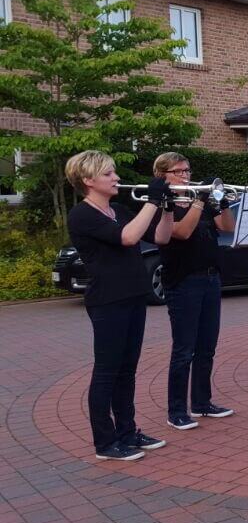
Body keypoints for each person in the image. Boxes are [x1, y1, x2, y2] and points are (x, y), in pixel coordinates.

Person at [65, 150, 173, 461]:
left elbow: (162, 238)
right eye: (109, 174)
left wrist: (166, 208)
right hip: (107, 301)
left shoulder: (120, 210)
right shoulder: (82, 215)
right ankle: (105, 442)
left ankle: (128, 431)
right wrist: (151, 201)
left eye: (114, 172)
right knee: (107, 371)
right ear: (88, 180)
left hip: (133, 296)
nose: (117, 178)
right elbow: (127, 238)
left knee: (127, 370)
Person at [151, 153, 236, 431]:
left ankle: (202, 402)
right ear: (163, 175)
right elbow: (182, 233)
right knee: (184, 349)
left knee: (207, 347)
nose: (186, 176)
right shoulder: (162, 205)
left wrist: (221, 200)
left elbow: (227, 227)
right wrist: (200, 200)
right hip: (183, 281)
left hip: (211, 278)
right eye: (178, 171)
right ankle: (176, 411)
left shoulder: (198, 200)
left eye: (187, 170)